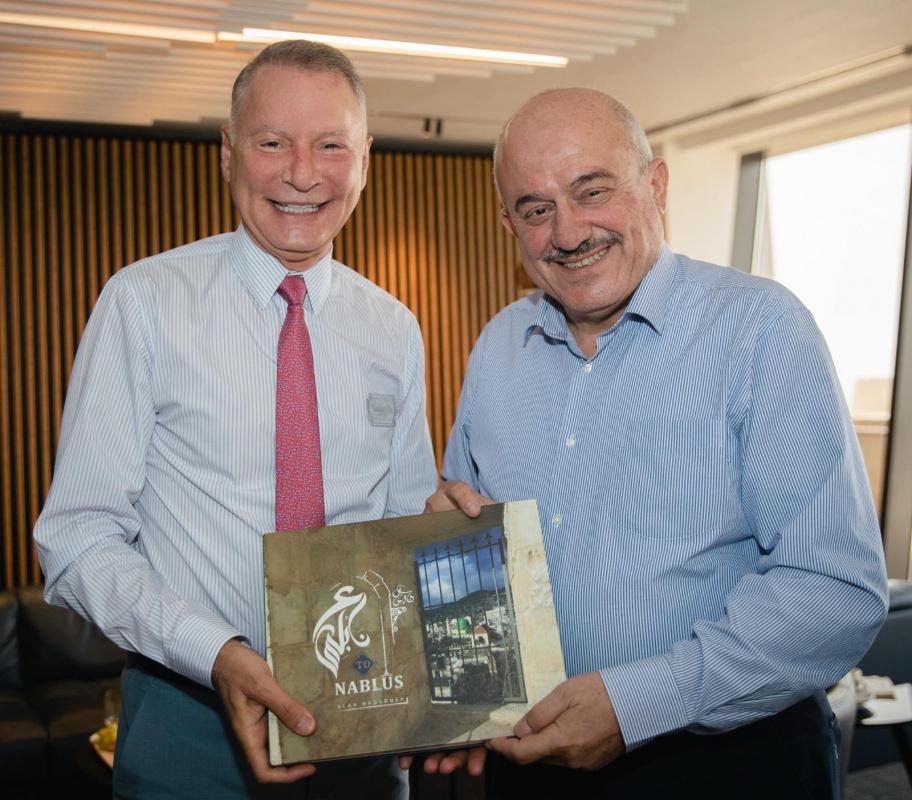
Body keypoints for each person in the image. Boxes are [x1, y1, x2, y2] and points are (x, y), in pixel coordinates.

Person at [415, 88, 889, 798]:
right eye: (536, 209)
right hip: (531, 763)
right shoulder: (498, 348)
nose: (568, 231)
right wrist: (447, 545)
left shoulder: (761, 330)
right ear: (508, 224)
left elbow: (835, 593)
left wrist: (636, 703)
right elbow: (472, 543)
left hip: (727, 766)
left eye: (592, 191)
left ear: (656, 185)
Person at [33, 40, 436, 799]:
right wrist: (214, 651)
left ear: (365, 160)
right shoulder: (143, 304)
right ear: (228, 151)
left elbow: (405, 525)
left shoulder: (394, 328)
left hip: (366, 718)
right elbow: (77, 539)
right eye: (272, 142)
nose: (303, 174)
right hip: (189, 717)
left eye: (331, 146)